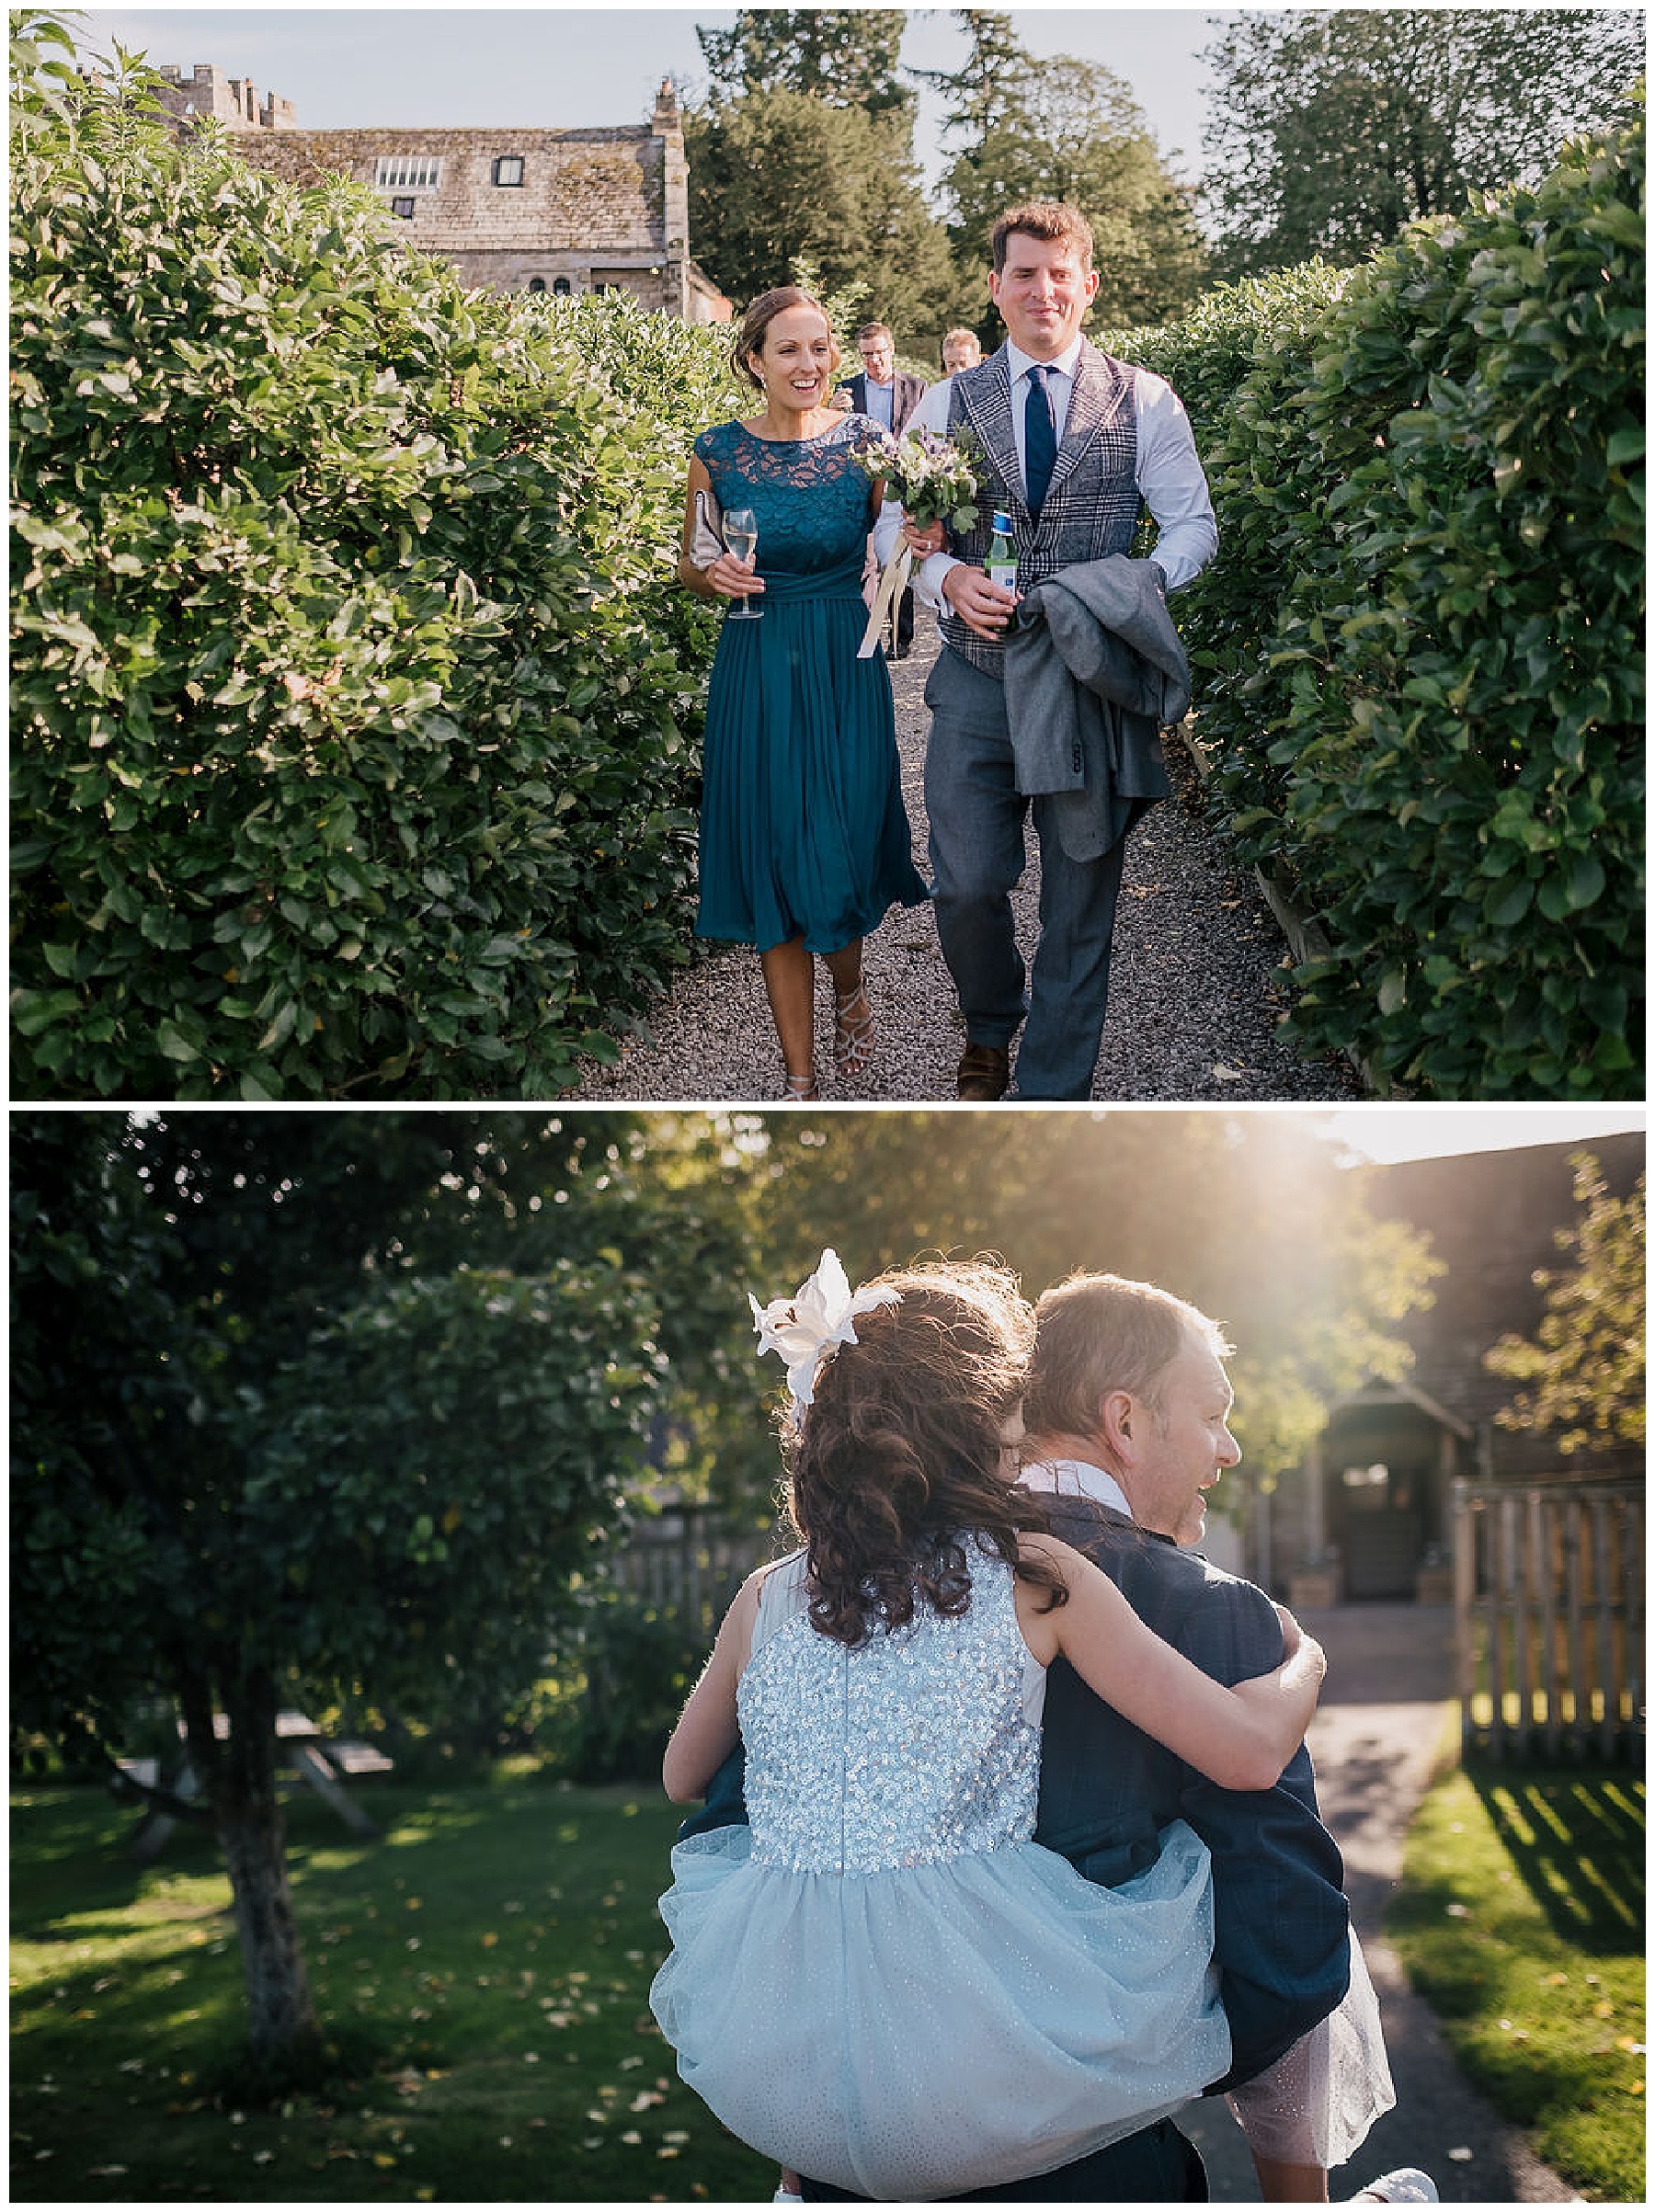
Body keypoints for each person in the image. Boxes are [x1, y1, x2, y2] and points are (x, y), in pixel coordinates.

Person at [650, 1253, 1329, 2203]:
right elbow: (1250, 1751)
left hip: (800, 2017)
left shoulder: (766, 1596)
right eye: (1011, 1404)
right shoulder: (1036, 1573)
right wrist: (1303, 1661)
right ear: (975, 1423)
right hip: (996, 2014)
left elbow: (686, 1775)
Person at [1018, 1271, 1432, 2205]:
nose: (1231, 1449)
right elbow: (1284, 1939)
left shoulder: (902, 1584)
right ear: (1123, 1424)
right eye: (1212, 1414)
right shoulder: (1210, 1615)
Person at [873, 202, 1218, 1099]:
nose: (1043, 290)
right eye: (1024, 274)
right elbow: (890, 529)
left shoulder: (1145, 398)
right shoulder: (947, 403)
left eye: (1061, 272)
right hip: (978, 677)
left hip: (1089, 684)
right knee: (966, 883)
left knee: (1079, 909)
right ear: (995, 289)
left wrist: (1124, 594)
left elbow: (1191, 529)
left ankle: (1048, 1095)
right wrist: (944, 577)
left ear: (1090, 284)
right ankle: (991, 1021)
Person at [679, 290, 928, 1100]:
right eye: (789, 350)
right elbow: (690, 558)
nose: (810, 365)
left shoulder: (868, 445)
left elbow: (898, 544)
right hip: (756, 657)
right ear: (753, 360)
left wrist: (921, 546)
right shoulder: (714, 453)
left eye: (820, 348)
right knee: (774, 854)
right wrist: (707, 571)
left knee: (841, 847)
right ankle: (799, 1078)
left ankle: (850, 987)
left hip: (842, 660)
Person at [836, 323, 928, 658]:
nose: (874, 360)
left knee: (897, 556)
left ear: (892, 350)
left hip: (901, 480)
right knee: (861, 555)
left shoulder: (917, 387)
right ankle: (861, 630)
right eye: (867, 355)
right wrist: (834, 410)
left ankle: (900, 639)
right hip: (861, 482)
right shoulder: (844, 391)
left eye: (879, 352)